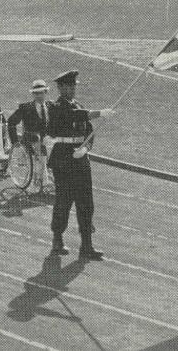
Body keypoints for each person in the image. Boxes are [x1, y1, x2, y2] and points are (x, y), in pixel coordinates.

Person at [45, 70, 114, 260]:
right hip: (63, 158)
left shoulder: (78, 105)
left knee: (86, 202)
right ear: (60, 88)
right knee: (64, 201)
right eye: (68, 86)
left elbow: (89, 132)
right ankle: (57, 238)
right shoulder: (56, 106)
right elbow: (74, 116)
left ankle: (87, 245)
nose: (72, 89)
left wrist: (86, 149)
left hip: (80, 158)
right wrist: (99, 113)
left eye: (74, 86)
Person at [7, 79, 52, 183]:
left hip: (48, 139)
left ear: (46, 93)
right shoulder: (25, 108)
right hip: (31, 138)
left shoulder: (51, 106)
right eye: (36, 93)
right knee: (40, 143)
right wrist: (15, 142)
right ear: (32, 94)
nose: (38, 96)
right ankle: (42, 179)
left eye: (41, 93)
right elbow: (11, 122)